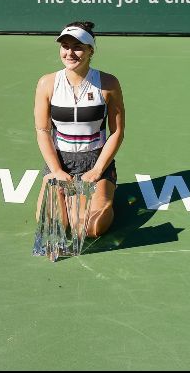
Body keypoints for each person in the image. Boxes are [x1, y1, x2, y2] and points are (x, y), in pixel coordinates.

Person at [34, 21, 125, 237]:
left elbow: (117, 132)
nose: (69, 53)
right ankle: (70, 196)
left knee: (88, 227)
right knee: (51, 225)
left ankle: (104, 193)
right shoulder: (47, 83)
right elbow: (43, 131)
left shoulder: (108, 83)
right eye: (65, 46)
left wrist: (97, 170)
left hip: (95, 162)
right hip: (60, 162)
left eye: (77, 47)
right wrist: (56, 170)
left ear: (90, 50)